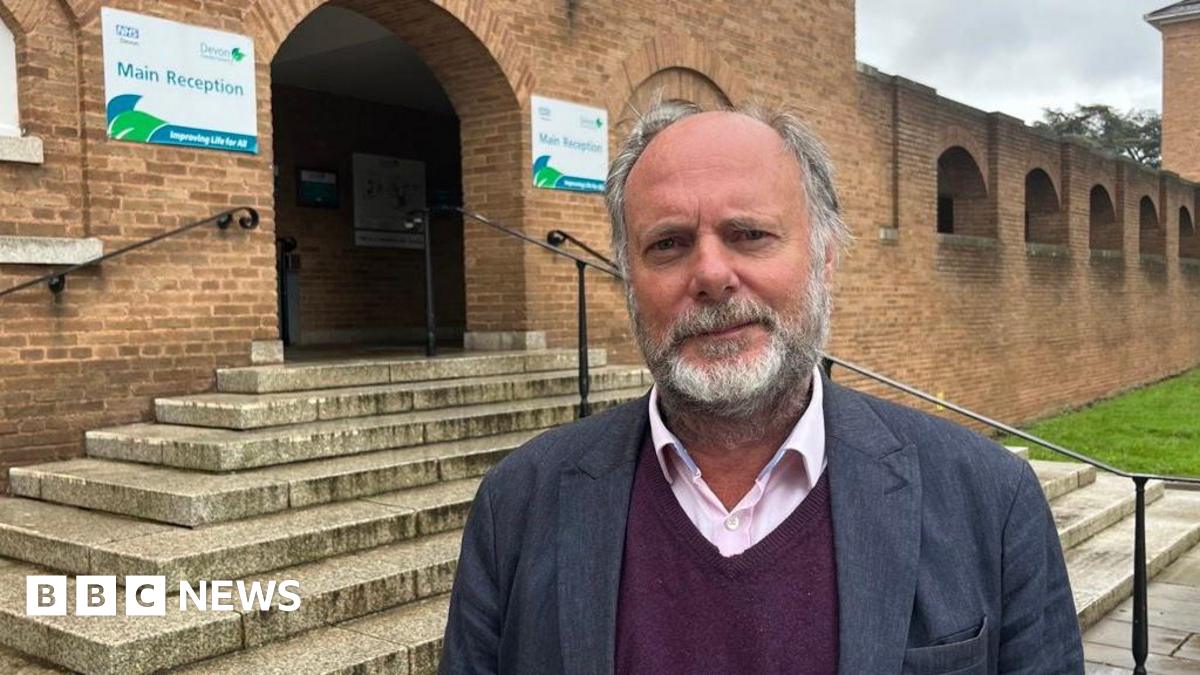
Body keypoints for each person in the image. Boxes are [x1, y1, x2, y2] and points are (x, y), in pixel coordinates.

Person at [439, 101, 1084, 674]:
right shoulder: (518, 504)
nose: (711, 274)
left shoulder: (990, 500)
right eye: (668, 244)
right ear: (630, 282)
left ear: (825, 260)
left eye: (749, 234)